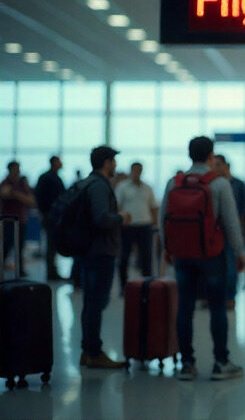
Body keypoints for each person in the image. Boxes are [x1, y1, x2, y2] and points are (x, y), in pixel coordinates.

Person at [159, 136, 245, 381]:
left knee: (184, 308)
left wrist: (168, 247)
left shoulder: (173, 183)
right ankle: (221, 362)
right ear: (211, 156)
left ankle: (187, 364)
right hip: (212, 253)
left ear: (189, 155)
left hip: (182, 254)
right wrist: (239, 252)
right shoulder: (218, 184)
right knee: (218, 307)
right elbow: (230, 221)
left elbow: (163, 217)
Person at [80, 146, 131, 369]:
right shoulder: (100, 186)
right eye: (113, 161)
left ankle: (88, 350)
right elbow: (101, 218)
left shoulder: (87, 183)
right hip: (100, 252)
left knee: (90, 303)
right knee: (96, 304)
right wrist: (120, 217)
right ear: (106, 163)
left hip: (88, 250)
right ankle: (94, 352)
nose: (116, 166)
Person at [115, 162, 158, 294]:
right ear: (131, 171)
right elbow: (117, 206)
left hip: (144, 225)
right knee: (124, 257)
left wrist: (155, 224)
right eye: (135, 170)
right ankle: (123, 287)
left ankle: (147, 286)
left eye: (140, 170)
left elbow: (153, 207)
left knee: (146, 257)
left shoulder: (147, 188)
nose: (137, 173)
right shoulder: (123, 187)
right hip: (128, 226)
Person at [213, 154, 245, 308]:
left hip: (233, 231)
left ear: (226, 166)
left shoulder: (238, 185)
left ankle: (229, 297)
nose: (215, 168)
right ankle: (215, 296)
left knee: (230, 264)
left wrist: (241, 230)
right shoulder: (213, 184)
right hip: (215, 232)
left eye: (218, 165)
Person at [1, 161, 36, 275]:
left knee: (20, 247)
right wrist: (19, 195)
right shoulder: (5, 182)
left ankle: (20, 269)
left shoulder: (21, 185)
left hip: (21, 220)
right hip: (7, 221)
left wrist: (15, 194)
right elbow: (4, 193)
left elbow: (31, 201)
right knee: (6, 245)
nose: (19, 170)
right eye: (16, 168)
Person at [35, 156, 66, 281]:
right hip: (50, 216)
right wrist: (45, 212)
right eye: (59, 161)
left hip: (53, 215)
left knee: (52, 245)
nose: (61, 163)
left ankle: (52, 271)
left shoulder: (53, 178)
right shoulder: (48, 178)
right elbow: (40, 197)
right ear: (54, 163)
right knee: (51, 245)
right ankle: (51, 272)